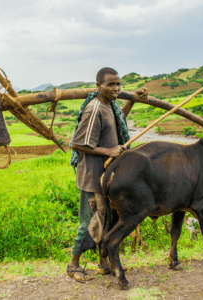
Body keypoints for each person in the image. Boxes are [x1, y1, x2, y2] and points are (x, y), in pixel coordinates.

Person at [67, 67, 135, 282]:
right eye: (111, 85)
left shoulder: (109, 106)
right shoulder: (94, 109)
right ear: (98, 86)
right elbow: (77, 143)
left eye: (118, 84)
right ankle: (73, 265)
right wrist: (109, 150)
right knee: (90, 222)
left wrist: (132, 100)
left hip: (106, 177)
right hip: (92, 176)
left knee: (107, 219)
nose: (116, 88)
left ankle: (104, 264)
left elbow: (118, 120)